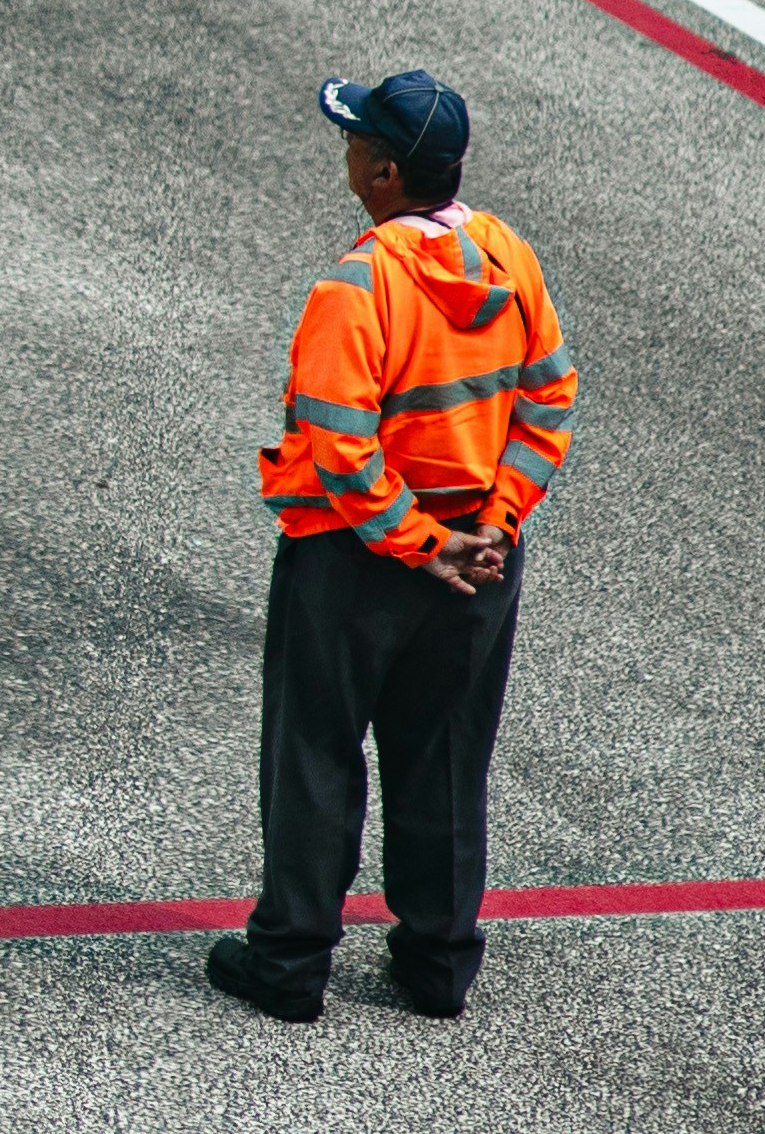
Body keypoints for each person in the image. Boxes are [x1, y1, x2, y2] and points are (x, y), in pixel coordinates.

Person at [204, 66, 575, 1029]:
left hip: (357, 557)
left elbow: (341, 443)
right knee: (447, 754)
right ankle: (438, 964)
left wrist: (415, 542)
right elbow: (549, 397)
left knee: (318, 750)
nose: (348, 151)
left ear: (379, 172)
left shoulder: (358, 283)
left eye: (356, 141)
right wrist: (494, 520)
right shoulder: (506, 254)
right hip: (484, 556)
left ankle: (290, 962)